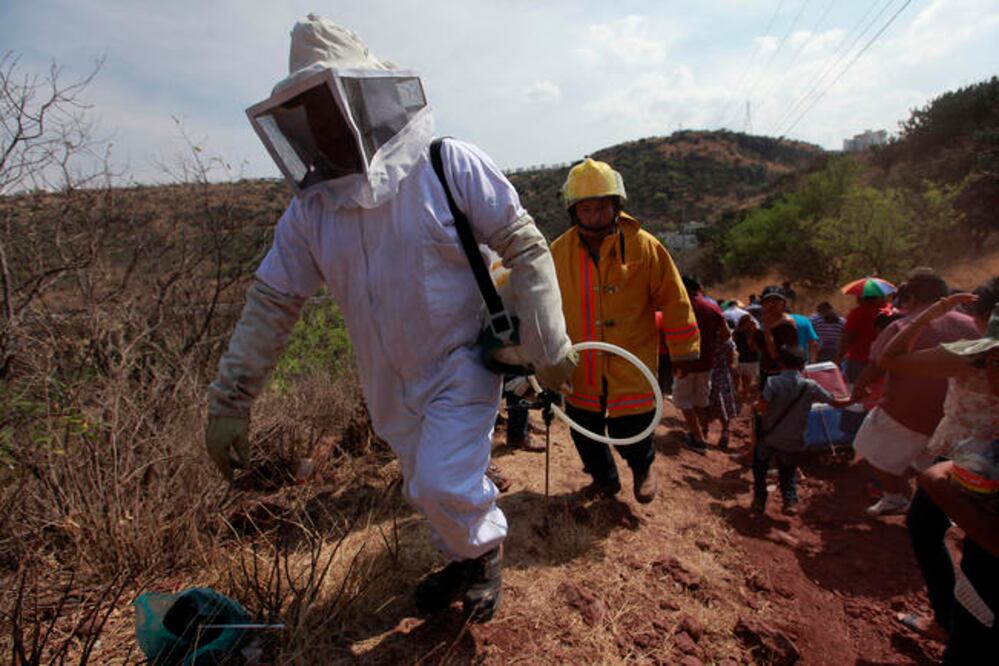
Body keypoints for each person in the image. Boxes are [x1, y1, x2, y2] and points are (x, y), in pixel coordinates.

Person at [205, 16, 577, 623]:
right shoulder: (311, 211)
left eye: (326, 104)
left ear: (362, 94)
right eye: (305, 112)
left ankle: (484, 556)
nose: (320, 124)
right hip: (385, 383)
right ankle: (462, 557)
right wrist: (230, 401)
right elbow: (273, 302)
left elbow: (524, 244)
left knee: (440, 483)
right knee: (424, 488)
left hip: (462, 361)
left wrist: (549, 341)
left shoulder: (446, 165)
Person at [550, 158, 699, 502]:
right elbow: (545, 305)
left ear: (615, 205)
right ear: (574, 211)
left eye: (601, 207)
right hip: (581, 361)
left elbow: (675, 299)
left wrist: (684, 350)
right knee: (583, 427)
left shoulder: (645, 246)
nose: (594, 215)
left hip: (631, 356)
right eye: (585, 209)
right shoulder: (558, 252)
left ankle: (642, 468)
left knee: (631, 424)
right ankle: (604, 480)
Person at [877, 279, 999, 643]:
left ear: (980, 315)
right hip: (985, 455)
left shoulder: (968, 356)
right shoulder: (971, 352)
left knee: (942, 533)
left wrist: (928, 316)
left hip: (965, 458)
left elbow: (890, 360)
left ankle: (953, 621)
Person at [852, 268, 980, 516]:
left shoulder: (903, 326)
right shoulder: (975, 326)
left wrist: (856, 391)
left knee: (868, 446)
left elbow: (878, 364)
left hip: (903, 411)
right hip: (953, 418)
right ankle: (933, 505)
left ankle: (894, 496)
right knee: (931, 463)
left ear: (911, 299)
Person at [752, 345, 853, 514]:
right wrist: (858, 397)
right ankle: (790, 502)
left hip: (770, 435)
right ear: (803, 365)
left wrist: (755, 406)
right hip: (795, 438)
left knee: (760, 467)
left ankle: (759, 501)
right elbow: (836, 403)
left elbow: (762, 408)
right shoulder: (811, 386)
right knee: (788, 471)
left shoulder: (773, 382)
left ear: (780, 363)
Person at [673, 275, 730, 453]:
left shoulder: (682, 305)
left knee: (684, 401)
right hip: (706, 362)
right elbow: (726, 334)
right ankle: (702, 431)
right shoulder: (713, 307)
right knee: (700, 399)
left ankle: (698, 439)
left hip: (684, 361)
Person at [750, 285, 798, 383]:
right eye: (768, 301)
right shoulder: (762, 322)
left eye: (776, 300)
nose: (772, 304)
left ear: (783, 304)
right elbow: (754, 348)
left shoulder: (786, 325)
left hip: (783, 375)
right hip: (765, 372)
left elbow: (774, 355)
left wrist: (767, 330)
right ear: (762, 304)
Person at [839, 293, 888, 384]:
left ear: (862, 298)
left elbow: (848, 337)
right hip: (880, 359)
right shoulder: (886, 313)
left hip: (858, 358)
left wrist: (839, 356)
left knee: (855, 387)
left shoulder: (857, 313)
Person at [732, 314, 760, 397]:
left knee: (739, 378)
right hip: (747, 359)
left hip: (742, 359)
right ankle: (743, 393)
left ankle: (738, 394)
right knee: (744, 378)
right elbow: (753, 347)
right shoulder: (747, 333)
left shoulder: (736, 332)